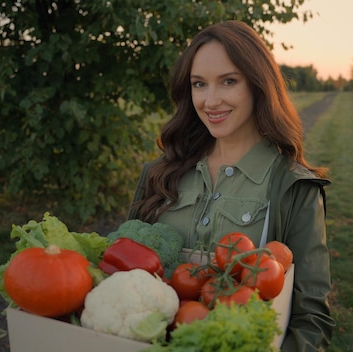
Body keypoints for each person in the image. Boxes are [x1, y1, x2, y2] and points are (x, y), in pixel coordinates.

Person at [127, 20, 335, 351]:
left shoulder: (293, 188)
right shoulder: (160, 174)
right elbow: (125, 271)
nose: (210, 101)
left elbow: (311, 320)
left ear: (257, 85)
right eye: (199, 84)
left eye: (228, 81)